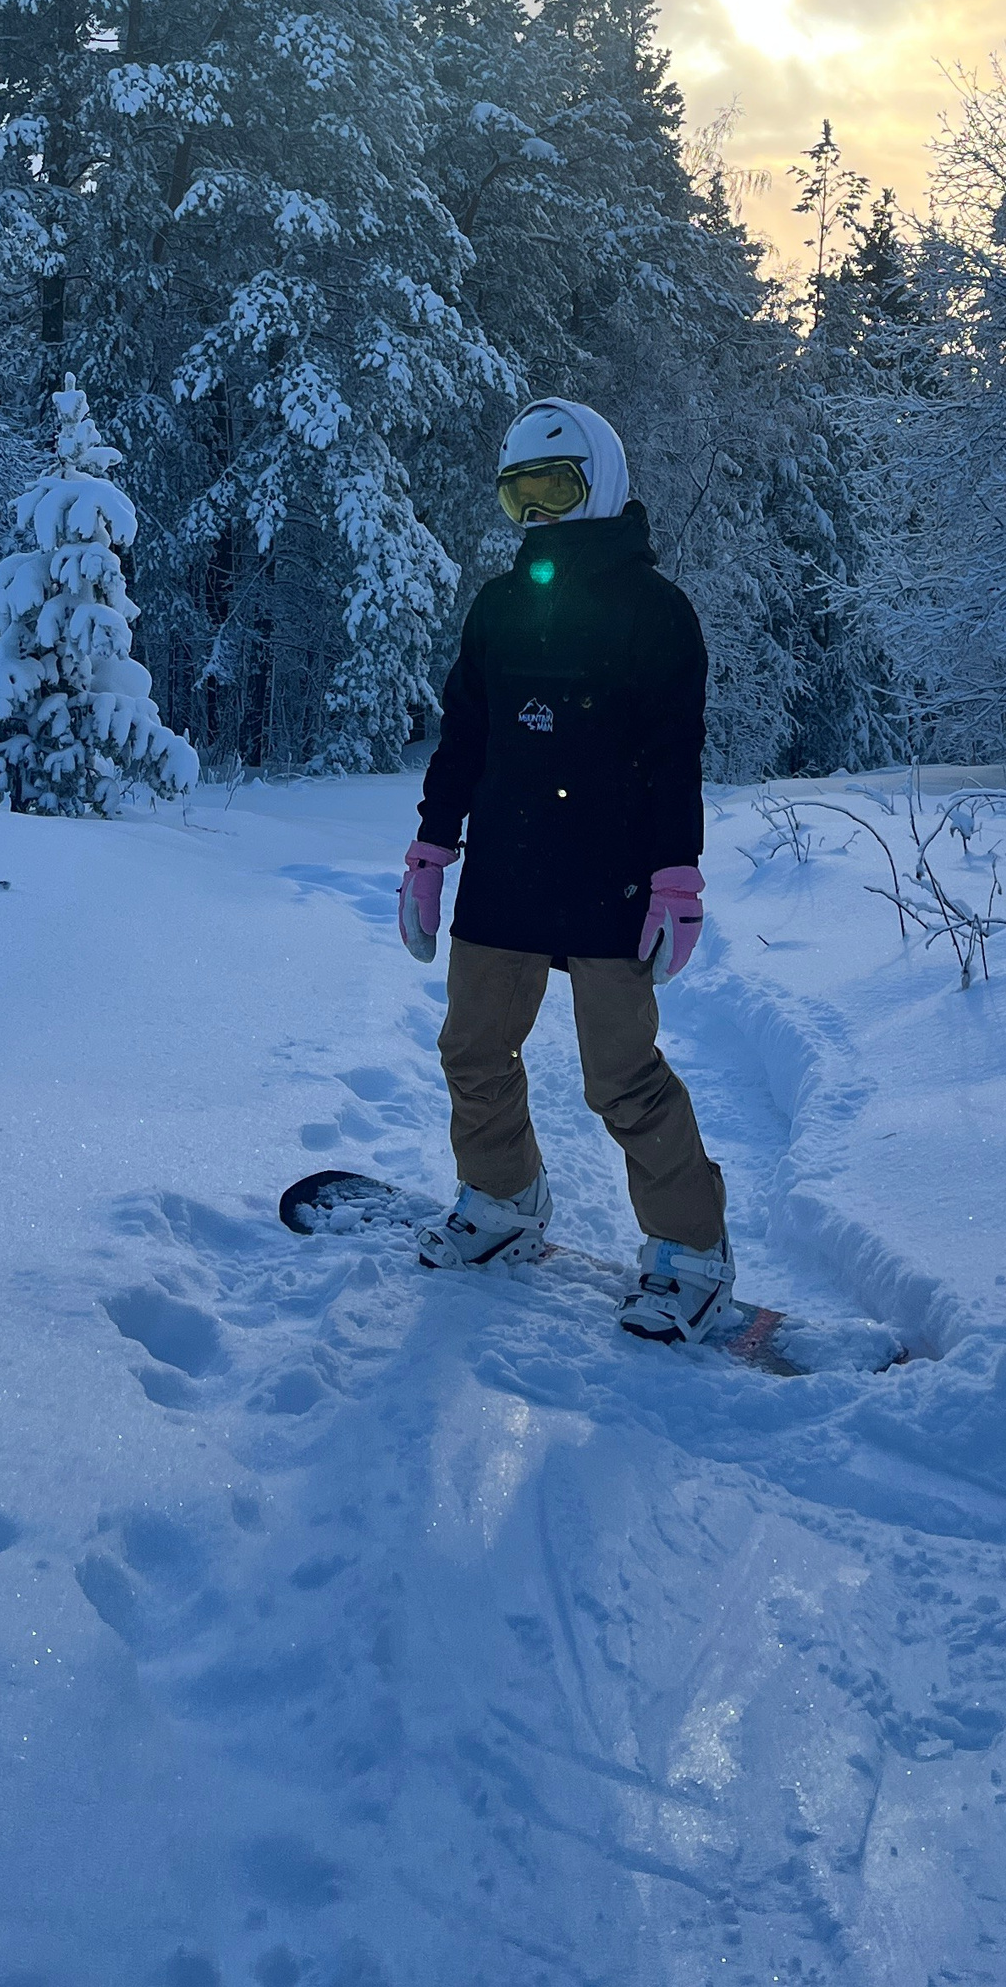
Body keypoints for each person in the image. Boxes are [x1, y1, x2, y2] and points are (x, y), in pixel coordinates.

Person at [396, 399, 735, 1344]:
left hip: (612, 880)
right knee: (472, 1047)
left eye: (557, 488)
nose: (539, 516)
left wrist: (679, 876)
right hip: (503, 871)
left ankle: (692, 1251)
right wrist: (432, 848)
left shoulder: (657, 614)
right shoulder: (500, 609)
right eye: (520, 496)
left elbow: (675, 755)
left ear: (605, 483)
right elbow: (463, 739)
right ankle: (502, 1196)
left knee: (621, 1076)